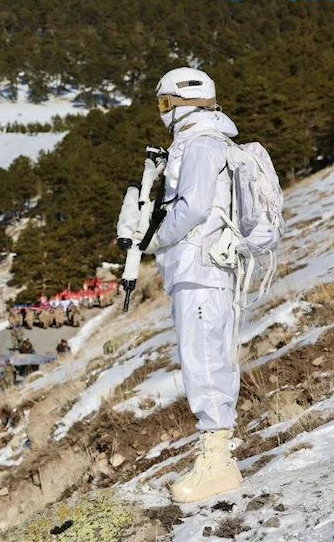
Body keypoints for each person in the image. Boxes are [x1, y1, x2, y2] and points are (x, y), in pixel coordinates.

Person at [150, 67, 243, 504]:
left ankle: (218, 463)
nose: (162, 114)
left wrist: (154, 239)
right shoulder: (202, 141)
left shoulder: (202, 144)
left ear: (180, 102)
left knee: (203, 358)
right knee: (205, 354)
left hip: (201, 268)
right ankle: (215, 455)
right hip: (199, 268)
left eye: (164, 103)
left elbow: (192, 208)